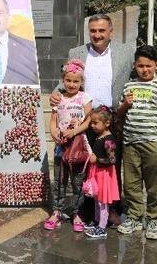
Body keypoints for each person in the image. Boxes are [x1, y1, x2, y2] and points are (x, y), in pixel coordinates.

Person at [50, 14, 157, 225]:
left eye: (101, 30)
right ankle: (86, 208)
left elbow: (143, 71)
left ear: (110, 32)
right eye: (93, 31)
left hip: (113, 118)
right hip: (84, 118)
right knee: (84, 165)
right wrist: (56, 91)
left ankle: (113, 208)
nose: (97, 35)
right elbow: (70, 79)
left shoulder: (125, 52)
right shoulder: (76, 52)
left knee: (111, 164)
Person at [115, 45, 157, 240]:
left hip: (152, 143)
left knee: (153, 185)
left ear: (156, 65)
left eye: (148, 66)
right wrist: (125, 104)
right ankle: (134, 217)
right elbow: (119, 114)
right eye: (140, 66)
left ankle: (154, 220)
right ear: (135, 65)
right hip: (130, 143)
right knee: (131, 184)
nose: (145, 69)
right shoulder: (129, 86)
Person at [44, 59, 92, 231]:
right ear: (63, 80)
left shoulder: (84, 98)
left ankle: (77, 213)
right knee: (59, 180)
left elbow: (88, 120)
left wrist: (74, 131)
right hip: (61, 146)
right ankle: (57, 211)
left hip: (78, 145)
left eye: (76, 81)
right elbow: (53, 120)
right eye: (68, 80)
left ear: (81, 82)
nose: (72, 84)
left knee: (78, 181)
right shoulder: (59, 99)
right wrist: (53, 133)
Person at [83, 107, 120, 239]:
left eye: (95, 123)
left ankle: (102, 227)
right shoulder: (99, 136)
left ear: (107, 123)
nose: (92, 125)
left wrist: (97, 159)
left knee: (103, 202)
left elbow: (112, 160)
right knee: (97, 200)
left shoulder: (109, 139)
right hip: (97, 172)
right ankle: (98, 222)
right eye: (91, 122)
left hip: (104, 174)